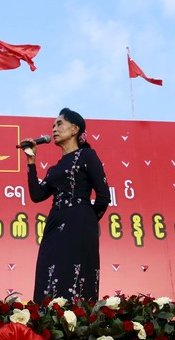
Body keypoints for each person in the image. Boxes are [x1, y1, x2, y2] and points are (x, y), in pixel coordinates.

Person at [21, 107, 111, 302]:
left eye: (59, 124)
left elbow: (103, 196)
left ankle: (76, 322)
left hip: (80, 223)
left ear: (74, 129)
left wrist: (86, 219)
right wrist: (31, 161)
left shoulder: (87, 156)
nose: (54, 129)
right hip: (54, 224)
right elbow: (37, 195)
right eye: (53, 125)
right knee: (48, 271)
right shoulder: (56, 168)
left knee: (75, 275)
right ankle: (46, 324)